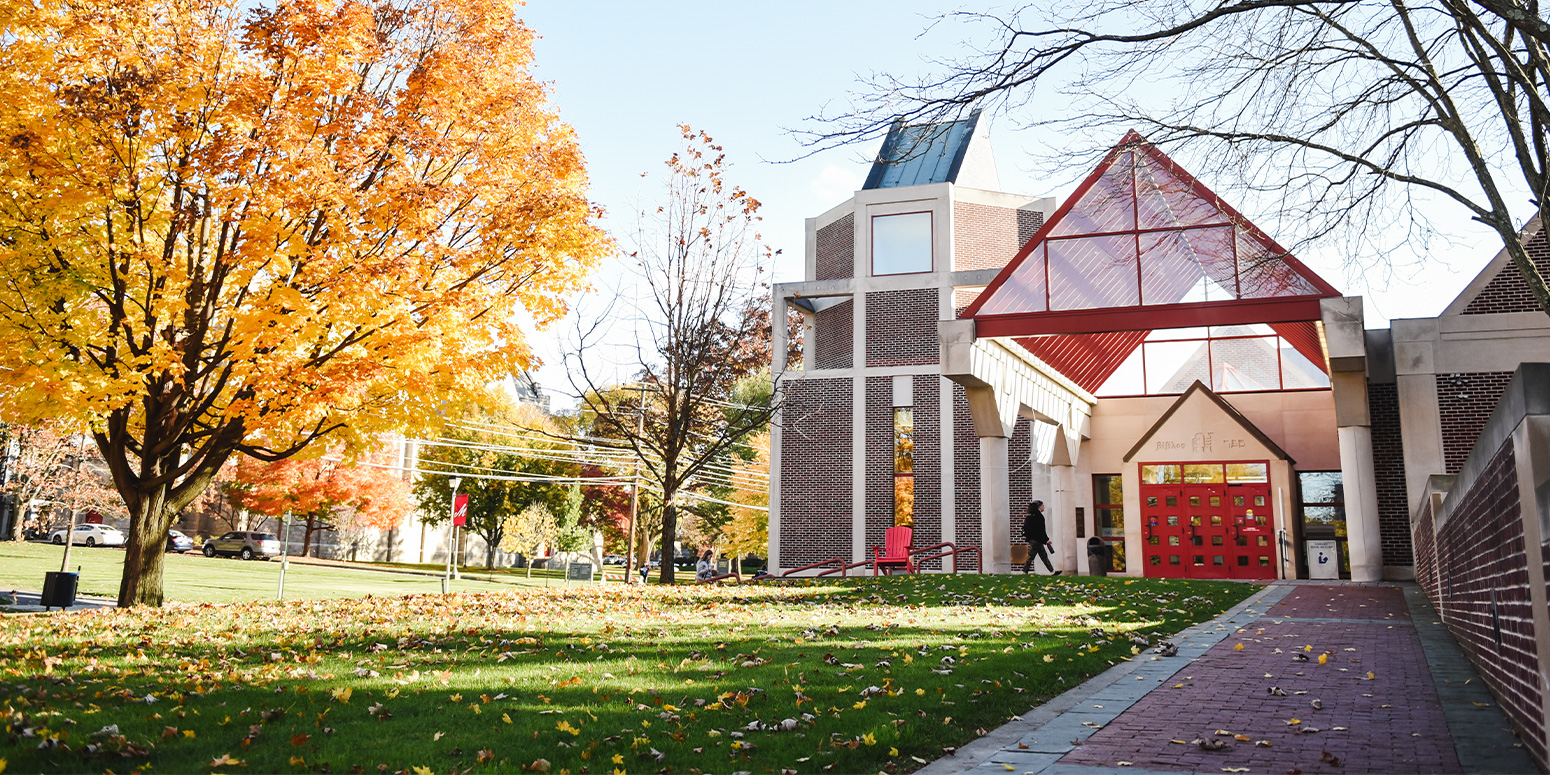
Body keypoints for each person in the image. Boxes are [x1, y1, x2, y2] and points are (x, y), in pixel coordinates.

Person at [1022, 500, 1060, 575]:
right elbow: (1041, 530)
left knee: (1042, 555)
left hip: (1032, 540)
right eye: (1042, 505)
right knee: (1033, 556)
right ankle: (1024, 571)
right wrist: (1046, 540)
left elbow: (1026, 529)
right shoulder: (1039, 517)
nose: (1044, 507)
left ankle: (1052, 571)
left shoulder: (1029, 518)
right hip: (1037, 540)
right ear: (1039, 507)